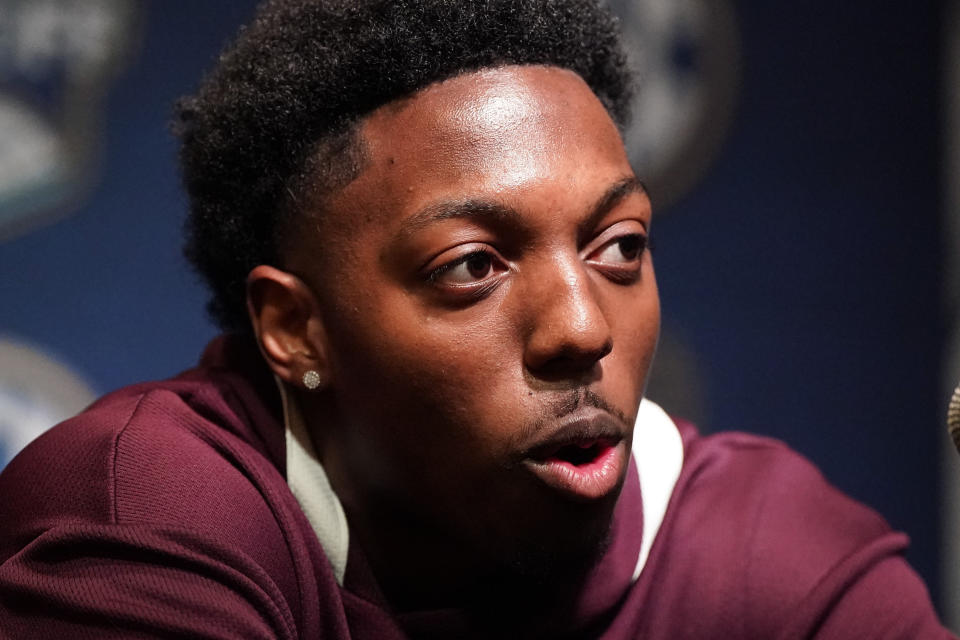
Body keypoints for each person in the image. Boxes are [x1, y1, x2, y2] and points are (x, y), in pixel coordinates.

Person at [0, 0, 953, 638]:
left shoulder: (764, 551)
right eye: (472, 267)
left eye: (618, 246)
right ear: (294, 330)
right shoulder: (150, 520)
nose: (583, 328)